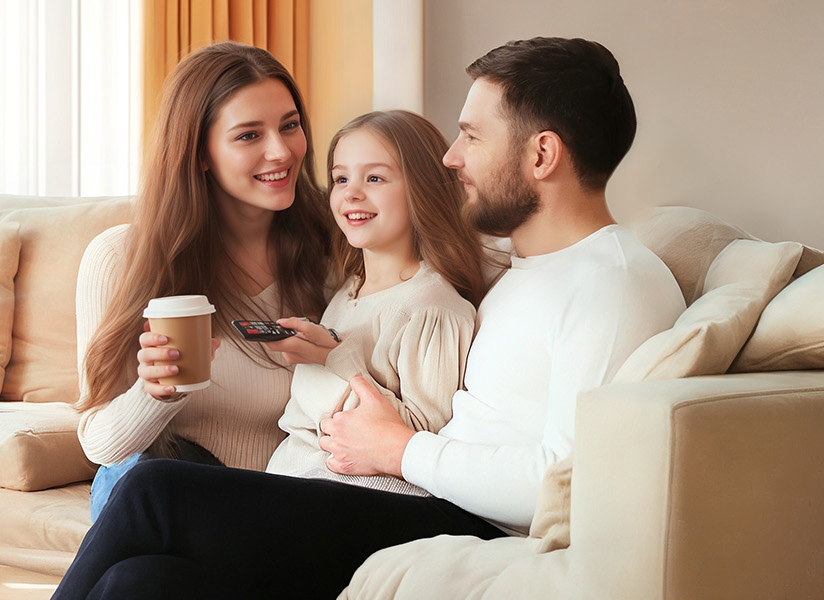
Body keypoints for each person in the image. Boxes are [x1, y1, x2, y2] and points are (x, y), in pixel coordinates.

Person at [52, 37, 687, 600]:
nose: (450, 160)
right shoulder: (527, 268)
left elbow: (564, 483)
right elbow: (421, 253)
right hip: (384, 492)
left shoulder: (611, 283)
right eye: (248, 134)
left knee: (153, 493)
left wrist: (404, 448)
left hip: (454, 516)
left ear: (543, 154)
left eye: (472, 136)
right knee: (140, 582)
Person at [75, 41, 335, 520]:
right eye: (248, 135)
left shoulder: (334, 253)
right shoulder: (120, 258)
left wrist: (336, 356)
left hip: (289, 501)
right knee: (135, 479)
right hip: (169, 491)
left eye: (289, 125)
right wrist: (157, 394)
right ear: (199, 154)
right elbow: (100, 444)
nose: (280, 151)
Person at [262, 110, 489, 497]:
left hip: (360, 496)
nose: (351, 192)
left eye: (375, 178)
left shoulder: (432, 309)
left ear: (423, 189)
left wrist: (328, 360)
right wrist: (325, 354)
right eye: (341, 178)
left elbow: (415, 439)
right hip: (295, 479)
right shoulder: (347, 291)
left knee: (153, 487)